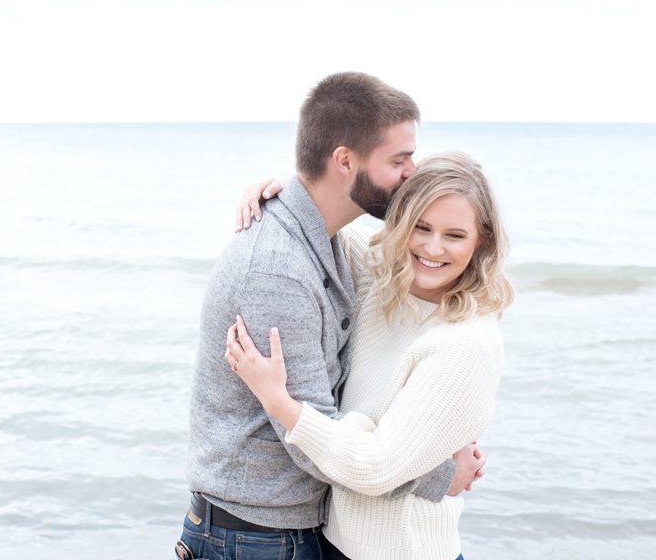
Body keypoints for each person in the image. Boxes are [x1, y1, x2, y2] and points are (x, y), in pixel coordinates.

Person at [176, 73, 485, 560]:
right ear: (345, 160)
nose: (412, 173)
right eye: (399, 160)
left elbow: (404, 257)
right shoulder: (279, 272)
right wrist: (442, 476)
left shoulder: (330, 240)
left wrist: (287, 188)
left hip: (282, 529)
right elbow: (309, 436)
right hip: (256, 538)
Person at [224, 152, 513, 560]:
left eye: (454, 235)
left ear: (481, 238)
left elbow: (376, 467)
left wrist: (280, 403)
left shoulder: (467, 343)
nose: (432, 248)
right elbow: (323, 219)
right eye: (421, 227)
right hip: (335, 544)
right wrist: (276, 192)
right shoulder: (381, 274)